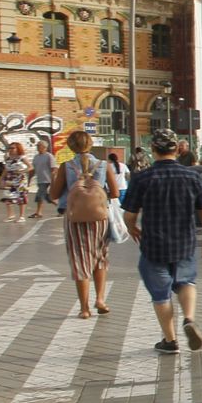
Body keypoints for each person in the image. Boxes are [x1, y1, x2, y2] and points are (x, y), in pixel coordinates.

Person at [122, 128, 202, 354]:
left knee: (160, 294)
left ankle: (170, 340)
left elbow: (130, 213)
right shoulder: (192, 176)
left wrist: (131, 227)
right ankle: (189, 319)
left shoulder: (142, 177)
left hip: (153, 245)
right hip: (184, 242)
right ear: (176, 149)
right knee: (186, 282)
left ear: (153, 150)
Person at [48, 129, 119, 319]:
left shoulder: (67, 166)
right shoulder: (104, 165)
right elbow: (115, 192)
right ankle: (101, 299)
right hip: (100, 219)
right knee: (100, 258)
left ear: (71, 146)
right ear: (90, 144)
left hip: (74, 220)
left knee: (81, 261)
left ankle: (84, 308)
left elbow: (54, 194)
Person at [0, 143, 29, 223]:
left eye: (13, 148)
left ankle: (21, 216)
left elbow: (30, 167)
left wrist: (21, 171)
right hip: (10, 179)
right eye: (10, 148)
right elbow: (5, 170)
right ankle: (10, 215)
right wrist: (1, 180)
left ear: (18, 149)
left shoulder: (22, 158)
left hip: (20, 180)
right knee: (7, 196)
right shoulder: (8, 159)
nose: (11, 150)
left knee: (21, 197)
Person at [30, 140, 57, 218]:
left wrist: (53, 180)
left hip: (47, 179)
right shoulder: (36, 157)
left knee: (40, 196)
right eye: (37, 146)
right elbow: (33, 169)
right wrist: (30, 180)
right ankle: (61, 208)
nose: (37, 147)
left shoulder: (49, 156)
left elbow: (54, 168)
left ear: (44, 147)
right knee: (48, 198)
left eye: (39, 146)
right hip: (40, 179)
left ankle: (39, 212)